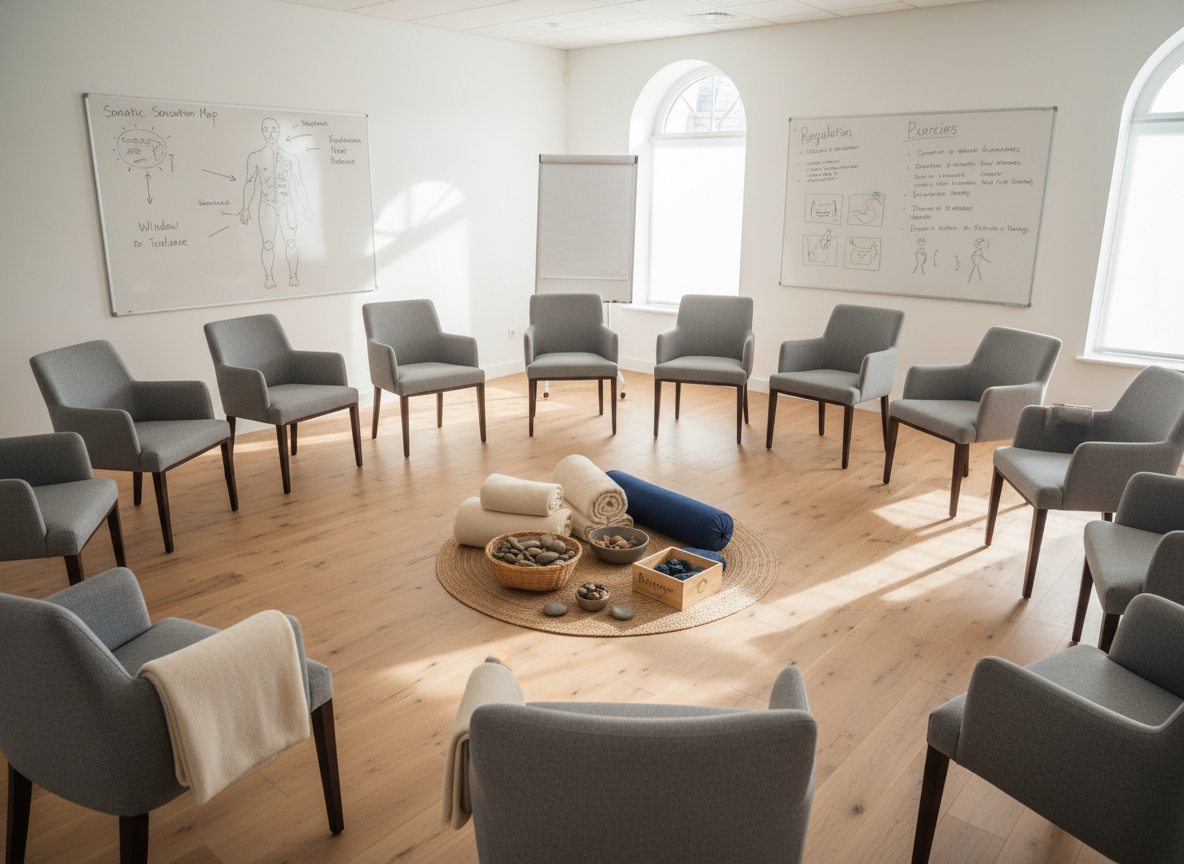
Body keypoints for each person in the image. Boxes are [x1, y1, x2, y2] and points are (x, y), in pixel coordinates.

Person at [239, 118, 314, 289]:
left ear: (278, 131)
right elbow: (249, 183)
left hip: (287, 204)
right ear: (262, 132)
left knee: (291, 242)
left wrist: (306, 207)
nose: (270, 133)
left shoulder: (291, 158)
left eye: (273, 129)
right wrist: (245, 207)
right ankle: (269, 277)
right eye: (266, 129)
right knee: (267, 243)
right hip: (266, 205)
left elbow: (299, 184)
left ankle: (293, 276)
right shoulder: (255, 157)